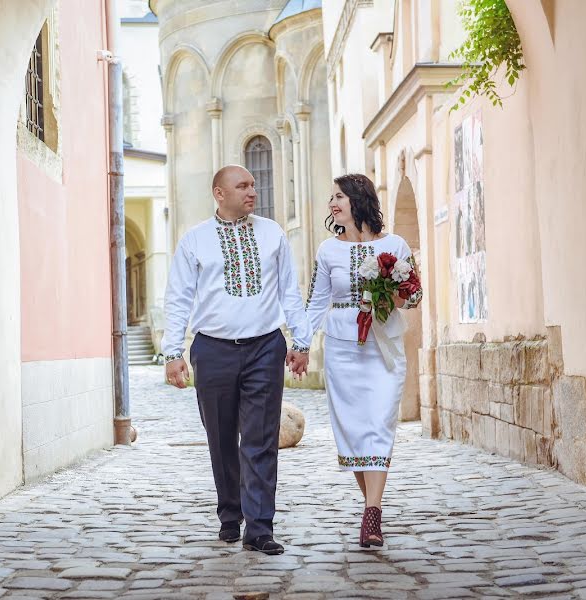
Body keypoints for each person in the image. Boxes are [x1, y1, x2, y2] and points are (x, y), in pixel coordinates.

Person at [162, 164, 312, 555]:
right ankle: (230, 513)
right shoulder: (194, 240)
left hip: (265, 346)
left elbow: (289, 291)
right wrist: (173, 352)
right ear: (219, 193)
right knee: (221, 435)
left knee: (261, 440)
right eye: (241, 186)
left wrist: (301, 340)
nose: (252, 191)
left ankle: (260, 527)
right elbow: (178, 298)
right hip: (212, 349)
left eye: (253, 184)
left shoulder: (272, 233)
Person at [304, 173, 422, 547]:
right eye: (331, 198)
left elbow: (415, 296)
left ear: (359, 200)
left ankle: (372, 514)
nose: (332, 204)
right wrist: (300, 343)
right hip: (342, 347)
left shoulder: (396, 244)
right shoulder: (327, 251)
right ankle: (371, 509)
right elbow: (316, 302)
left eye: (339, 196)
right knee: (354, 430)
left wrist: (395, 293)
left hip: (383, 346)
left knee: (379, 423)